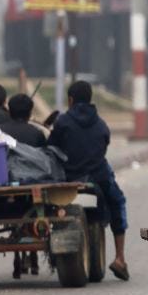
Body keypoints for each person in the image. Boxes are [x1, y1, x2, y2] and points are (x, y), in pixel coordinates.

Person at [46, 80, 128, 280]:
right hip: (98, 175)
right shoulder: (101, 124)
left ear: (70, 100)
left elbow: (52, 147)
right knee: (118, 202)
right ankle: (120, 258)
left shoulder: (63, 121)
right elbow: (104, 144)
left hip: (70, 177)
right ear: (90, 99)